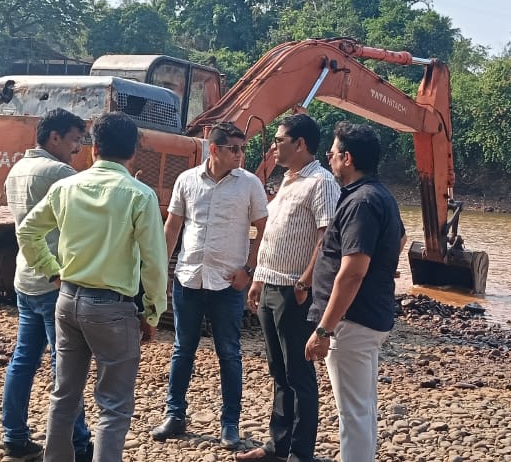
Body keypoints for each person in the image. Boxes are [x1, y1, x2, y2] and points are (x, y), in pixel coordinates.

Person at [16, 113, 170, 462]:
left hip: (67, 300)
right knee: (113, 406)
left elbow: (27, 232)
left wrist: (52, 271)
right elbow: (154, 264)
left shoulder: (66, 187)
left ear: (94, 148)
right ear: (133, 153)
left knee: (64, 395)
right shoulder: (139, 196)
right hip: (113, 309)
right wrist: (152, 313)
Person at [151, 122, 268, 449]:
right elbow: (173, 227)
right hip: (189, 279)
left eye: (242, 149)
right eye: (234, 149)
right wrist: (160, 271)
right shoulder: (187, 180)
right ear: (214, 149)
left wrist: (249, 269)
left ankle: (229, 424)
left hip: (228, 285)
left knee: (229, 353)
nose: (240, 155)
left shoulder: (249, 185)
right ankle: (175, 415)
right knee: (182, 350)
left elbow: (264, 229)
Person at [238, 114, 340, 462]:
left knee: (298, 372)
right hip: (271, 286)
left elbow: (327, 239)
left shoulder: (322, 183)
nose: (274, 146)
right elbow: (275, 234)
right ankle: (277, 445)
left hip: (294, 291)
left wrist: (305, 281)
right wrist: (258, 279)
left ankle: (300, 453)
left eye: (280, 140)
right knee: (278, 371)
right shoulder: (287, 180)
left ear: (300, 144)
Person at [304, 122, 405, 462]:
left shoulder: (361, 201)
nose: (328, 157)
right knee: (361, 406)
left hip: (352, 321)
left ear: (347, 158)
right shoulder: (379, 195)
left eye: (331, 153)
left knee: (354, 413)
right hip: (366, 316)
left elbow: (352, 271)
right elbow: (399, 239)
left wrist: (324, 329)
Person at [1, 108, 92, 461]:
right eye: (73, 140)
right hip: (55, 279)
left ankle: (15, 436)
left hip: (26, 276)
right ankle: (78, 442)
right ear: (53, 137)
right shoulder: (59, 173)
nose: (77, 149)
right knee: (65, 365)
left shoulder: (17, 169)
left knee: (23, 360)